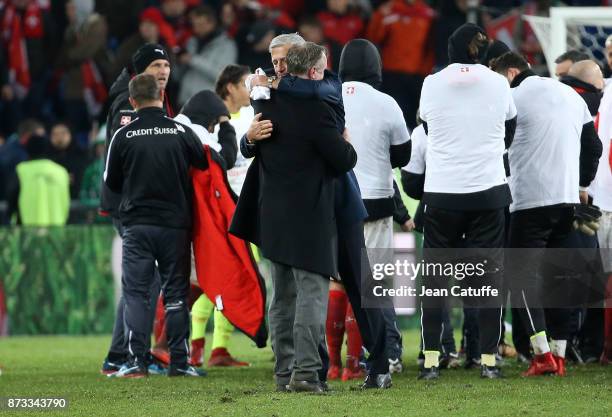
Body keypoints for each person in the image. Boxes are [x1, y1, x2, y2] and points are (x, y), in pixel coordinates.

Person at [245, 34, 395, 389]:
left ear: (300, 61)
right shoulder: (271, 94)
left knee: (357, 283)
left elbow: (316, 96)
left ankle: (377, 362)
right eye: (273, 61)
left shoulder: (324, 86)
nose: (277, 68)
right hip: (310, 204)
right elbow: (256, 148)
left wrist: (268, 88)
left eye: (283, 60)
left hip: (339, 201)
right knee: (303, 292)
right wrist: (249, 137)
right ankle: (315, 369)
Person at [230, 42, 358, 393]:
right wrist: (346, 141)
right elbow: (344, 159)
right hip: (310, 217)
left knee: (282, 298)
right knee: (311, 296)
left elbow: (256, 131)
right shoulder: (317, 109)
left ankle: (284, 372)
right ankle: (305, 373)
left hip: (271, 214)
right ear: (313, 70)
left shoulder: (263, 103)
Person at [490, 51, 602, 376]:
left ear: (511, 73)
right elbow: (593, 147)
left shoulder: (512, 97)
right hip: (567, 202)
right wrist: (580, 183)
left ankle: (541, 356)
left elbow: (499, 145)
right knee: (559, 279)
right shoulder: (568, 94)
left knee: (522, 278)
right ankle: (561, 354)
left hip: (529, 202)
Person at [417, 24, 516, 380]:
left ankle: (431, 361)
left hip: (443, 192)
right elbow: (510, 129)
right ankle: (488, 361)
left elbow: (427, 126)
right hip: (488, 191)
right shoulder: (498, 82)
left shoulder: (432, 83)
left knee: (435, 281)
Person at [104, 73, 208, 378]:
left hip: (137, 225)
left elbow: (111, 181)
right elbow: (203, 165)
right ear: (162, 97)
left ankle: (136, 362)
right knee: (176, 294)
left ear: (132, 101)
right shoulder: (180, 130)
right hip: (176, 225)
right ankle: (179, 362)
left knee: (137, 293)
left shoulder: (123, 136)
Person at [100, 43, 172, 376]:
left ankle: (122, 352)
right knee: (142, 282)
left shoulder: (149, 99)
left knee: (142, 281)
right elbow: (129, 157)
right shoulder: (125, 105)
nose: (163, 71)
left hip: (136, 205)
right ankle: (123, 354)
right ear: (140, 71)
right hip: (132, 206)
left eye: (166, 65)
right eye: (156, 65)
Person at [177, 5, 237, 106]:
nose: (196, 28)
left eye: (200, 24)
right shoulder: (192, 42)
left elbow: (223, 75)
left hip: (208, 104)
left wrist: (193, 60)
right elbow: (179, 75)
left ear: (211, 23)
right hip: (185, 102)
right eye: (194, 24)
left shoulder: (226, 45)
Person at [6, 134, 69, 226]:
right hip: (57, 231)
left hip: (27, 232)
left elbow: (12, 199)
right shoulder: (61, 172)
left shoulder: (21, 170)